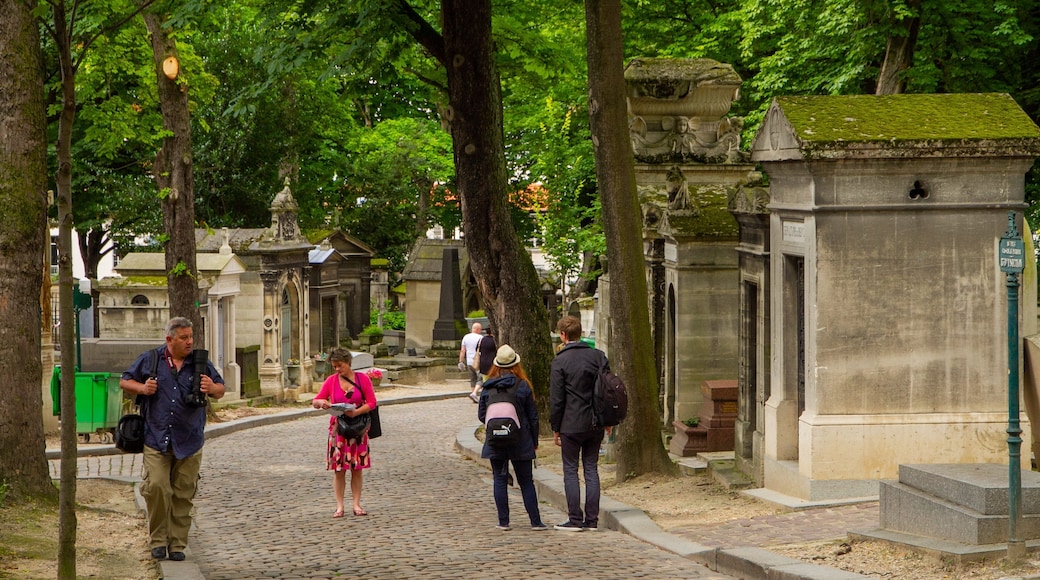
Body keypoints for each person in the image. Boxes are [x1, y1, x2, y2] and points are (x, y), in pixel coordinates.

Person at [120, 317, 226, 561]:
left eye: (191, 337)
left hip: (189, 439)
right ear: (169, 339)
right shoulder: (151, 359)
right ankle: (158, 540)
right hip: (156, 437)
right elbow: (125, 380)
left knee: (183, 493)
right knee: (157, 487)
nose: (189, 342)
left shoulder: (200, 362)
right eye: (184, 338)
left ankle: (177, 544)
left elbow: (221, 389)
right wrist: (142, 388)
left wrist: (212, 388)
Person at [477, 345, 547, 531]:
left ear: (497, 365)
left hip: (495, 439)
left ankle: (503, 521)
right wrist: (534, 441)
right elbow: (532, 417)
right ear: (516, 364)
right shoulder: (522, 385)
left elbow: (482, 415)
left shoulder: (488, 387)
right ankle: (535, 521)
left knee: (499, 480)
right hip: (520, 438)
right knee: (525, 481)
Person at [549, 315, 609, 532]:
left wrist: (555, 427)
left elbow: (557, 399)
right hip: (595, 422)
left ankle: (575, 518)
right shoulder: (598, 357)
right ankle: (592, 520)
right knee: (591, 469)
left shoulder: (560, 361)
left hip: (570, 423)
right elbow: (606, 391)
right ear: (580, 332)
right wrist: (607, 420)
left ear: (563, 335)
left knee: (571, 470)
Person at [312, 347, 377, 518]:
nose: (337, 369)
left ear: (348, 362)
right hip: (339, 430)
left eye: (340, 365)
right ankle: (339, 506)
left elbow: (371, 402)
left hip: (358, 429)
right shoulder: (331, 381)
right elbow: (316, 400)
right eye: (334, 366)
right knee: (339, 470)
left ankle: (356, 504)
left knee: (357, 469)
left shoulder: (362, 379)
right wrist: (322, 403)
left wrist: (355, 412)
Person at [460, 322, 484, 403]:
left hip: (469, 361)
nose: (480, 331)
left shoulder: (466, 337)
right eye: (480, 329)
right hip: (477, 361)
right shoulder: (481, 337)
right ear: (477, 329)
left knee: (473, 379)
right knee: (481, 378)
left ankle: (474, 394)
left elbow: (463, 350)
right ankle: (474, 393)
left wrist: (461, 361)